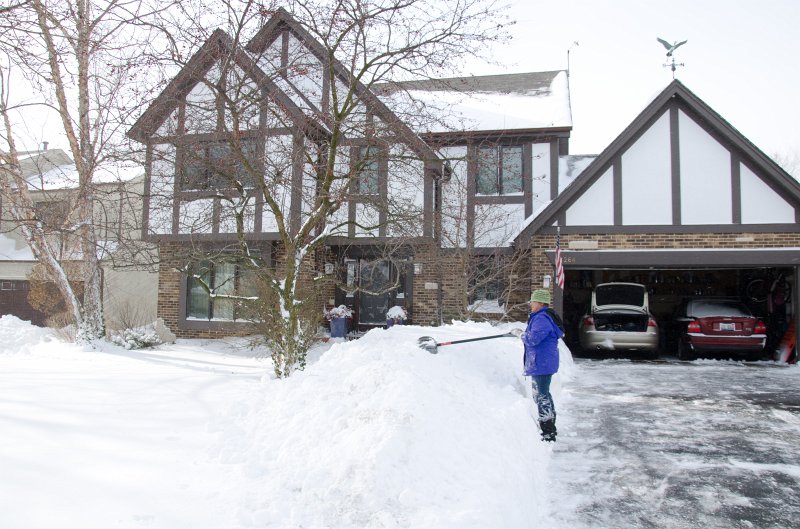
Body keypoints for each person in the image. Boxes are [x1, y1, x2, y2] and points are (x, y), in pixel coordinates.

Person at [521, 289, 564, 442]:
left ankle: (548, 431)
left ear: (539, 303)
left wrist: (522, 334)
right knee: (542, 394)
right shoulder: (542, 316)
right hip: (542, 362)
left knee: (541, 395)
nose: (530, 304)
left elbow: (533, 339)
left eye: (532, 301)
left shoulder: (541, 319)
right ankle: (550, 425)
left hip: (542, 362)